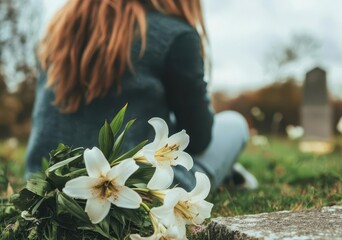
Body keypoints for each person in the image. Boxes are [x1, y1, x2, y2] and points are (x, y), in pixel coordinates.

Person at [26, 0, 257, 191]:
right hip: (138, 187)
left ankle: (227, 174)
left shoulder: (59, 30)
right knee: (233, 123)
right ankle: (224, 173)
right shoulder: (175, 34)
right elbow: (198, 138)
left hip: (46, 185)